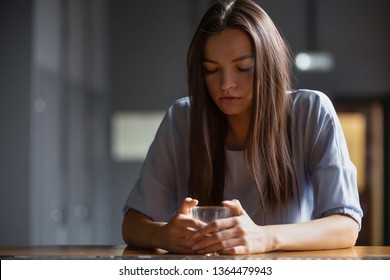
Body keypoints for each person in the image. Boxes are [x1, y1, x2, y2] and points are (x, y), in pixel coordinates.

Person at [122, 0, 363, 255]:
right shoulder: (182, 118)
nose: (226, 84)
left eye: (243, 68)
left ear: (268, 65)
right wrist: (163, 234)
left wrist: (265, 237)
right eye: (211, 70)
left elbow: (346, 225)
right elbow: (132, 224)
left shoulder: (311, 111)